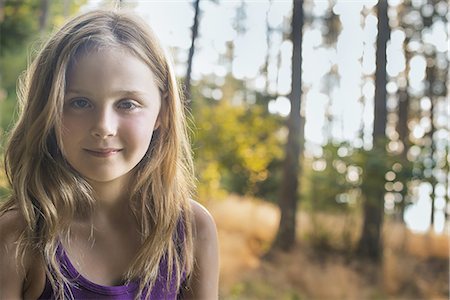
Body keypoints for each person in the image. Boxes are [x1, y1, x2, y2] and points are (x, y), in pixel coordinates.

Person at [0, 9, 219, 300]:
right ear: (48, 111)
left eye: (127, 104)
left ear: (162, 113)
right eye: (79, 102)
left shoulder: (192, 230)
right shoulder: (17, 236)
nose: (103, 127)